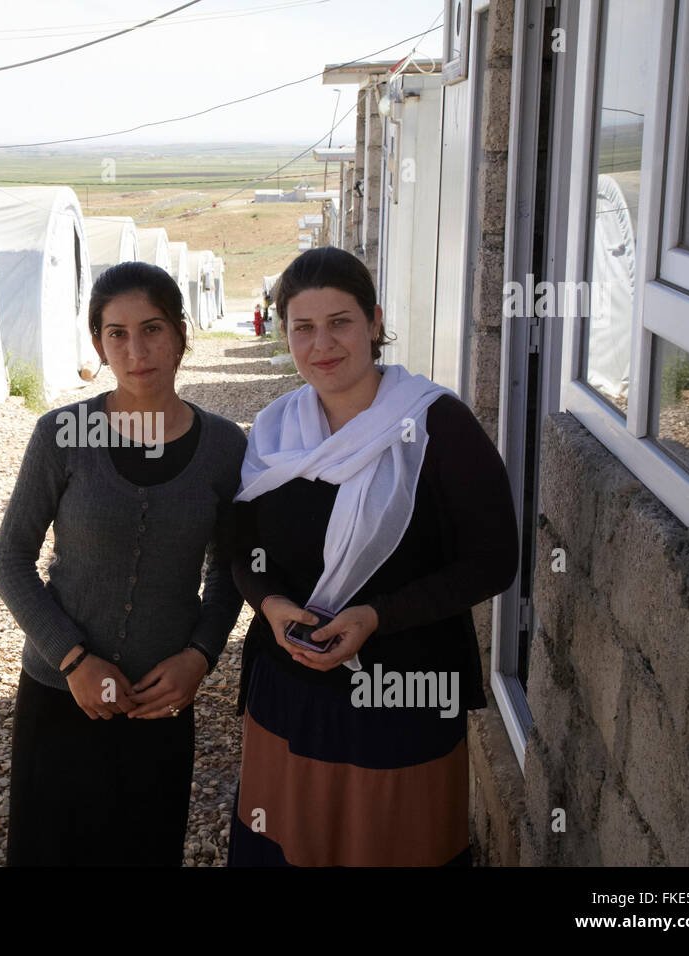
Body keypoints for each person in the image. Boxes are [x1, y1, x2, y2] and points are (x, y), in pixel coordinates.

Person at [226, 246, 518, 866]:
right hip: (290, 688)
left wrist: (375, 616)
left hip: (401, 693)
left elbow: (494, 559)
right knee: (288, 847)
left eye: (340, 322)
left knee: (391, 848)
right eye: (302, 327)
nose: (322, 343)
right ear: (285, 334)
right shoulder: (278, 430)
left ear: (375, 323)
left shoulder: (437, 425)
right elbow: (241, 549)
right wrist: (272, 605)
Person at [0, 260, 247, 866]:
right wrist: (74, 659)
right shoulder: (61, 434)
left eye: (153, 328)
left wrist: (199, 657)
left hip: (161, 700)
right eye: (117, 334)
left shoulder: (225, 448)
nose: (137, 351)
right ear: (99, 344)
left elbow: (231, 570)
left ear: (181, 335)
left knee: (145, 848)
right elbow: (11, 560)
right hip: (60, 694)